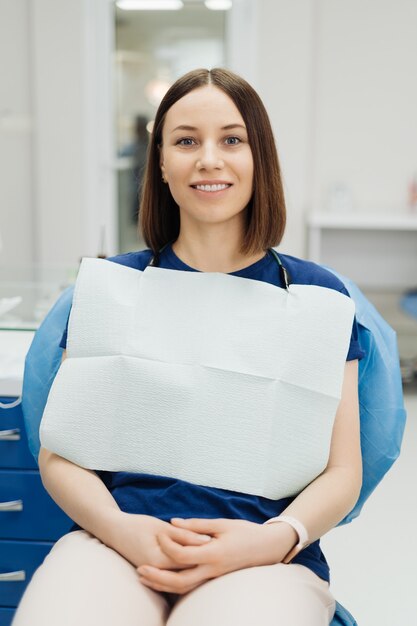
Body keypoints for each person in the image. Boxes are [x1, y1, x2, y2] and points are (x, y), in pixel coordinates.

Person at [13, 68, 364, 626]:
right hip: (117, 541)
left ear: (260, 157)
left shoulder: (317, 297)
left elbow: (344, 470)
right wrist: (121, 529)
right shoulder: (113, 287)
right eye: (185, 141)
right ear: (161, 163)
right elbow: (62, 454)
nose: (208, 159)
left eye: (231, 139)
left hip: (263, 554)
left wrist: (276, 538)